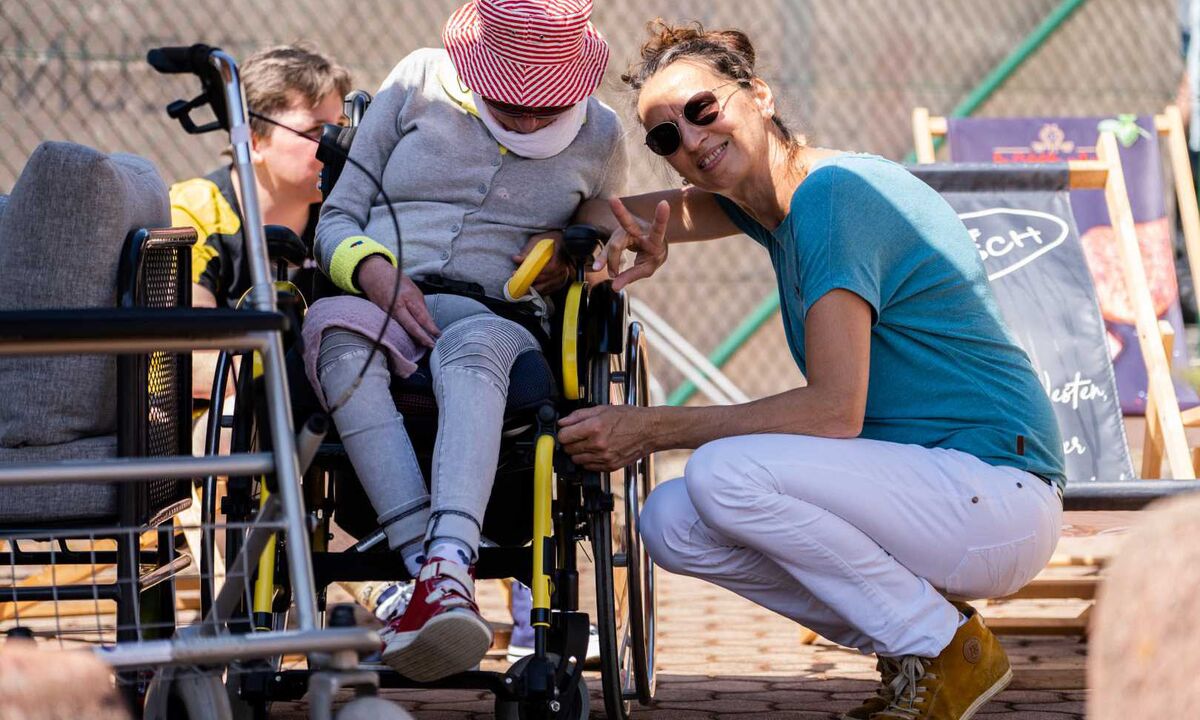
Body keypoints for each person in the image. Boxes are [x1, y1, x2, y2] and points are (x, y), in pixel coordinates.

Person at [557, 21, 1065, 720]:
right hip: (933, 491)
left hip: (995, 491)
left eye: (704, 109)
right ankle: (921, 635)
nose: (693, 139)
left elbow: (834, 413)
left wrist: (649, 429)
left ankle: (943, 646)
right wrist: (625, 236)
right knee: (671, 521)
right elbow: (595, 211)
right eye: (665, 137)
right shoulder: (771, 209)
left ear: (758, 95)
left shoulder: (832, 197)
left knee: (720, 475)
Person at [312, 0, 624, 681]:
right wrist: (374, 272)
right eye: (514, 101)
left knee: (472, 344)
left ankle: (445, 563)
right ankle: (437, 580)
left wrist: (585, 246)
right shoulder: (417, 82)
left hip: (499, 316)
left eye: (548, 105)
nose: (532, 119)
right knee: (330, 336)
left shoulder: (601, 132)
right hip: (377, 300)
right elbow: (335, 219)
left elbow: (602, 229)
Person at [169, 42, 352, 400]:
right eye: (316, 131)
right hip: (208, 418)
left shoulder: (342, 218)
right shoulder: (196, 209)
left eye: (340, 128)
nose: (335, 145)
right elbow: (188, 356)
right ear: (253, 140)